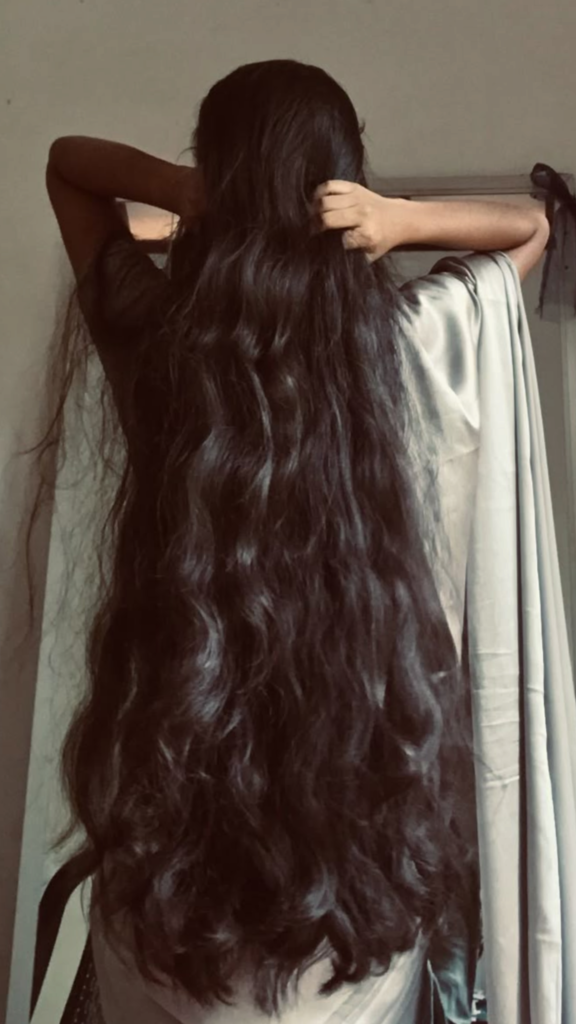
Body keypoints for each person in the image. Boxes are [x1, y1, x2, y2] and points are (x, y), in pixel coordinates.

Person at [37, 59, 550, 1024]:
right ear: (343, 180)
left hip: (172, 868)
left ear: (211, 173)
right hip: (347, 892)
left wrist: (188, 190)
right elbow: (529, 228)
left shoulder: (159, 343)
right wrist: (397, 220)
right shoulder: (408, 348)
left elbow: (70, 165)